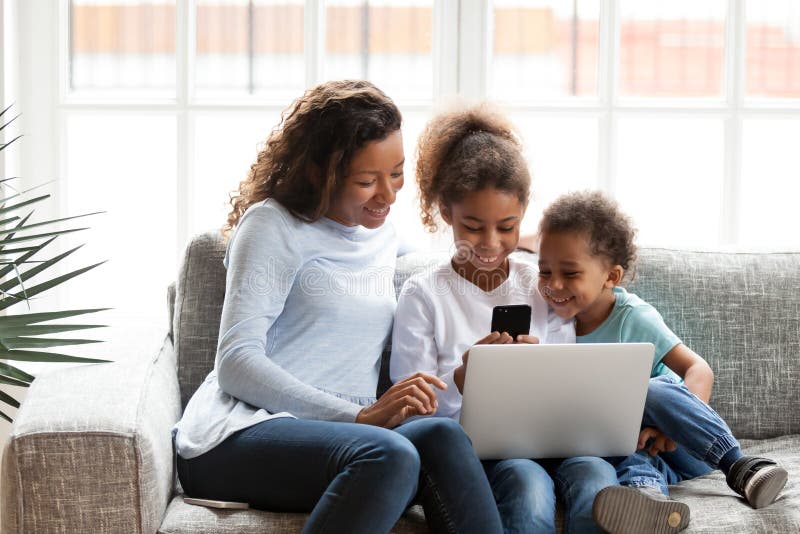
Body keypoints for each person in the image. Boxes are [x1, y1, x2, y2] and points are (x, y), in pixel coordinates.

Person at [172, 80, 505, 534]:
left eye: (397, 173)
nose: (388, 195)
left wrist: (522, 239)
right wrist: (359, 417)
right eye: (367, 181)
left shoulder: (381, 233)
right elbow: (235, 362)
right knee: (388, 454)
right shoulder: (272, 225)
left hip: (354, 436)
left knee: (442, 436)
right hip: (241, 432)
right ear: (320, 173)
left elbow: (459, 245)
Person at [389, 103, 618, 534]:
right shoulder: (423, 295)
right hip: (486, 451)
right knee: (527, 482)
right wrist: (463, 381)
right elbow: (413, 415)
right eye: (473, 226)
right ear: (446, 214)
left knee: (597, 476)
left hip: (556, 437)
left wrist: (539, 367)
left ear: (524, 214)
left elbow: (573, 379)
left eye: (507, 226)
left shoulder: (543, 284)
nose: (491, 243)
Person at [536, 190, 789, 534]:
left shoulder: (631, 316)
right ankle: (650, 501)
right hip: (637, 447)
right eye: (544, 270)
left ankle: (740, 466)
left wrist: (671, 429)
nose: (553, 284)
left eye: (569, 273)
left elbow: (698, 369)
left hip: (685, 442)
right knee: (614, 446)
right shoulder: (551, 325)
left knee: (654, 388)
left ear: (610, 277)